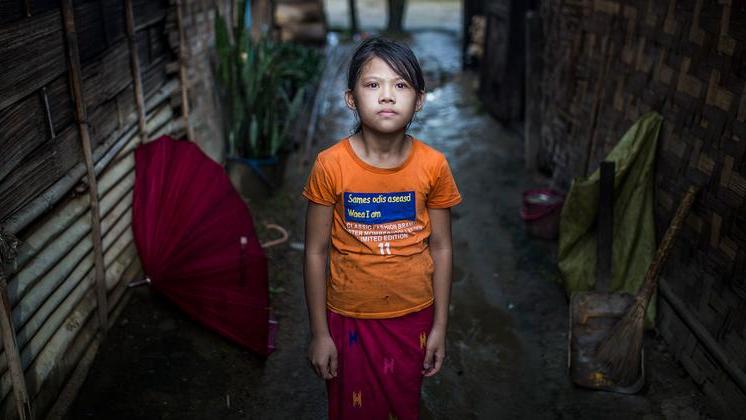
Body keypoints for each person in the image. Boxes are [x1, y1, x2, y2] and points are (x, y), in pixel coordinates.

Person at [303, 36, 461, 420]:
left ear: (419, 100)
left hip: (413, 315)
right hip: (348, 317)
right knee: (353, 409)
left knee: (402, 406)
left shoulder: (433, 166)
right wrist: (320, 333)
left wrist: (440, 326)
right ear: (351, 98)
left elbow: (441, 247)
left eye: (400, 85)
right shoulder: (330, 165)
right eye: (373, 84)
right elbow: (315, 252)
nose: (387, 96)